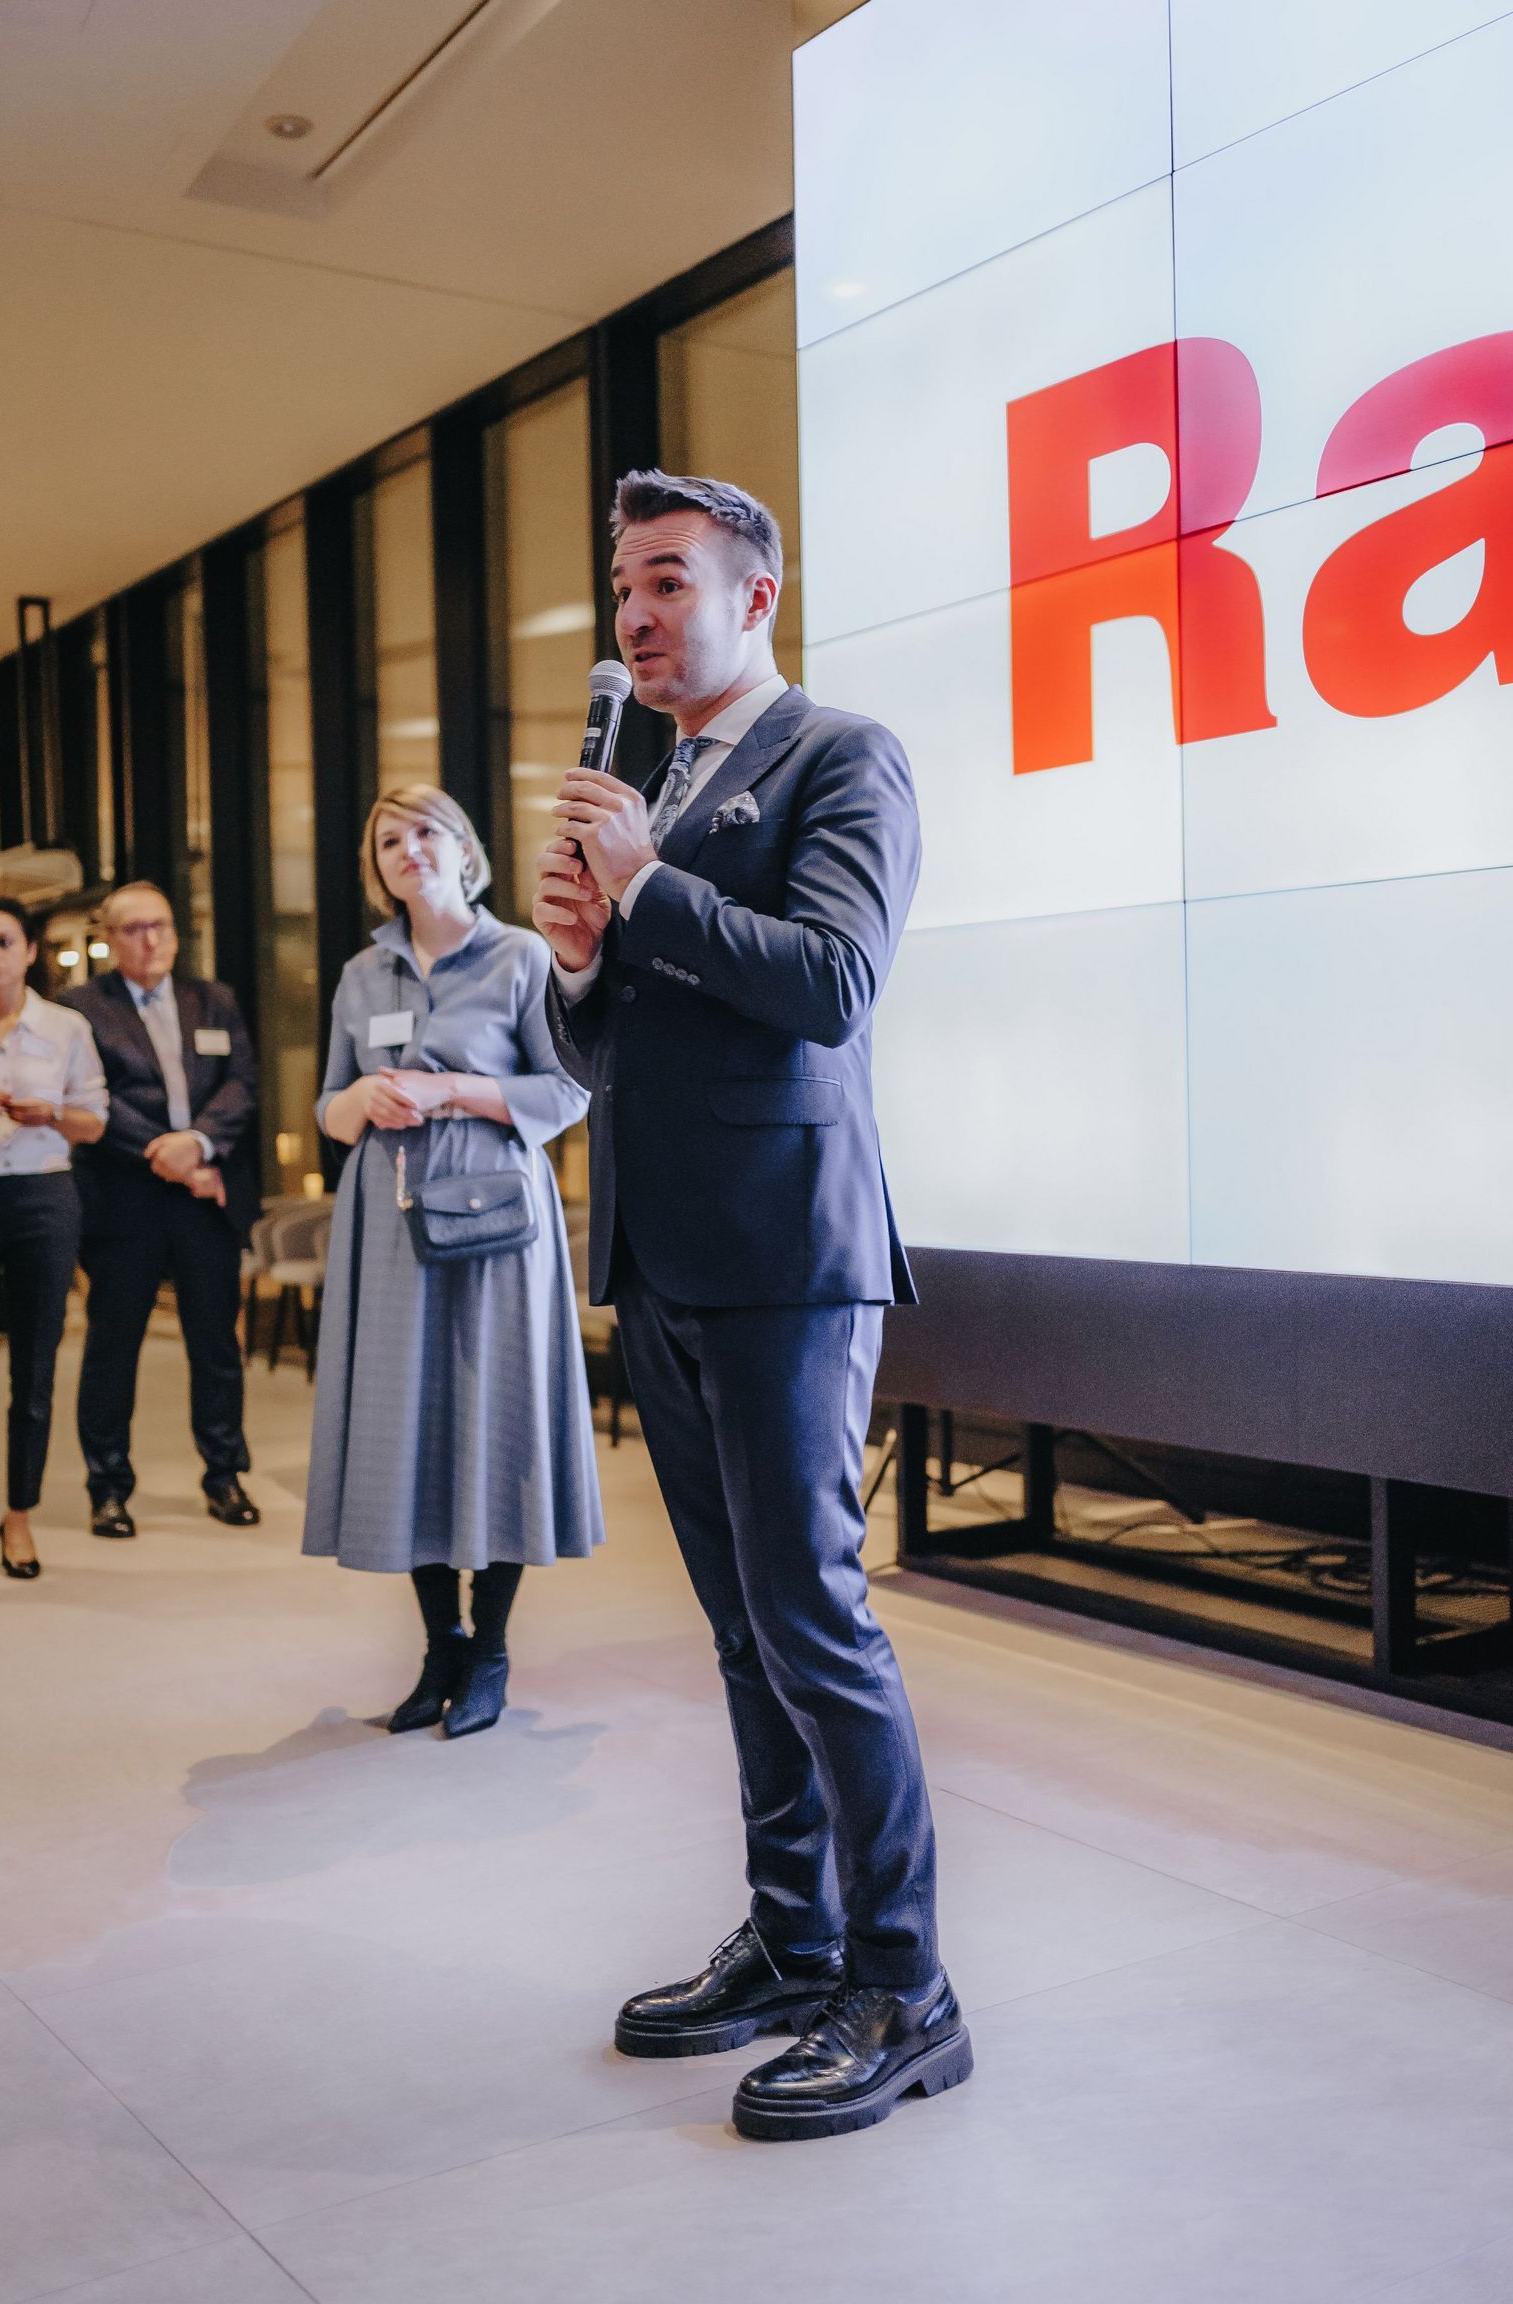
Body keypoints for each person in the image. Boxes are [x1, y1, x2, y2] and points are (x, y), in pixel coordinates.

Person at [533, 469, 970, 2143]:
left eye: (667, 581)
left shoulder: (841, 754)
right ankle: (797, 1939)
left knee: (813, 1622)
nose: (636, 615)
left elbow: (835, 981)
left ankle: (906, 1985)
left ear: (754, 595)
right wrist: (583, 961)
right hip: (662, 1257)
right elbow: (608, 1054)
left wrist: (647, 889)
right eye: (623, 588)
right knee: (739, 1630)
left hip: (789, 1255)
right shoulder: (653, 786)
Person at [303, 785, 602, 1739]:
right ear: (377, 868)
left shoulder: (521, 956)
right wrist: (364, 1103)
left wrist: (452, 1092)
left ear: (465, 849)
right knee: (410, 1426)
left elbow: (568, 1092)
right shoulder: (362, 973)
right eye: (389, 839)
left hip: (497, 1224)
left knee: (494, 1417)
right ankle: (442, 1645)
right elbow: (328, 1107)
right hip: (390, 1221)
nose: (409, 848)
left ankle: (492, 1649)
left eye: (426, 831)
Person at [59, 883, 261, 1538]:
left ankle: (224, 1476)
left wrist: (198, 1144)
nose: (150, 939)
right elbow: (90, 1099)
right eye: (134, 929)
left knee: (216, 1345)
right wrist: (164, 1152)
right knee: (113, 1347)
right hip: (124, 1200)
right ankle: (108, 1486)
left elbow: (241, 1083)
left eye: (161, 926)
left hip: (205, 1195)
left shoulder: (214, 999)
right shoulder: (81, 1009)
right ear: (109, 939)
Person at [0, 899, 107, 1578]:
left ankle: (19, 1515)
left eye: (4, 941)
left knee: (34, 1365)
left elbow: (95, 1122)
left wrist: (51, 1114)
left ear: (30, 950)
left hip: (42, 1196)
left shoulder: (65, 1026)